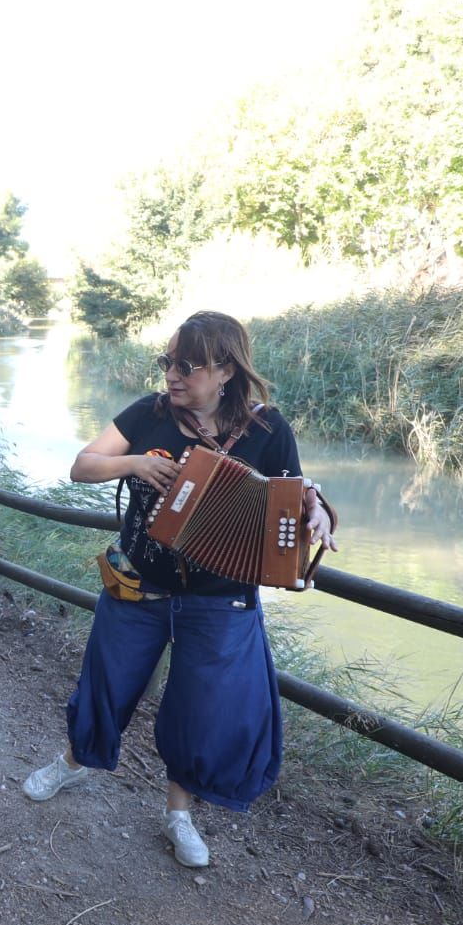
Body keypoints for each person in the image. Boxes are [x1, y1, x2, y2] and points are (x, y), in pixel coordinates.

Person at [22, 311, 337, 869]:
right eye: (168, 361)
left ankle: (178, 814)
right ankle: (73, 763)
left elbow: (295, 497)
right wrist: (135, 463)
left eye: (188, 365)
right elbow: (82, 465)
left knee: (201, 707)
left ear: (225, 371)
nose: (173, 374)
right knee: (108, 680)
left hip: (219, 599)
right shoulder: (150, 414)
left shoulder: (267, 430)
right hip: (140, 582)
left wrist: (319, 517)